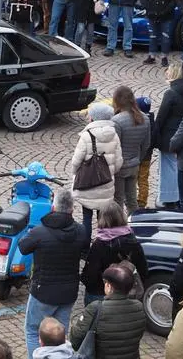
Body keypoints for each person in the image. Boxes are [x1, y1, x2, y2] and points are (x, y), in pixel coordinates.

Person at [19, 188, 88, 355]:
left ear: (52, 207)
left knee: (33, 330)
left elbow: (23, 246)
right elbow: (85, 251)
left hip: (43, 292)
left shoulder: (39, 232)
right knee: (60, 334)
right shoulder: (80, 231)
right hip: (68, 293)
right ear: (72, 209)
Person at [67, 103, 122, 241]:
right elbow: (118, 162)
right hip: (106, 185)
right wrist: (108, 172)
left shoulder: (86, 136)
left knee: (86, 217)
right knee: (103, 218)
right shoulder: (114, 135)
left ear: (93, 118)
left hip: (87, 185)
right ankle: (102, 244)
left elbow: (76, 161)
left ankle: (85, 248)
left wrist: (75, 174)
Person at [69, 265, 146, 359]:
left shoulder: (96, 308)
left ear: (109, 286)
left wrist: (74, 326)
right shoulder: (139, 306)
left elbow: (76, 340)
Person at [80, 202, 148, 304]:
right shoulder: (132, 241)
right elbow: (143, 269)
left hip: (100, 293)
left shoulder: (100, 244)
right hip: (126, 292)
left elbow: (91, 276)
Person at [155, 63, 183, 208]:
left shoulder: (171, 93)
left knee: (169, 168)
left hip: (170, 137)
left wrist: (155, 136)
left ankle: (169, 197)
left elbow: (161, 117)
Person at [111, 86, 150, 215]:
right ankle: (134, 225)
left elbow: (115, 147)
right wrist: (138, 158)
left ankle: (118, 228)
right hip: (134, 164)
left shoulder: (117, 121)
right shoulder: (145, 118)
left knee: (118, 200)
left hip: (120, 167)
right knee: (132, 200)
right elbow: (146, 144)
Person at [140, 0, 178, 66]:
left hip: (166, 15)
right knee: (153, 36)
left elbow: (174, 0)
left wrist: (165, 10)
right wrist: (148, 7)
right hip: (152, 14)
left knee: (165, 37)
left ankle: (164, 57)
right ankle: (151, 56)